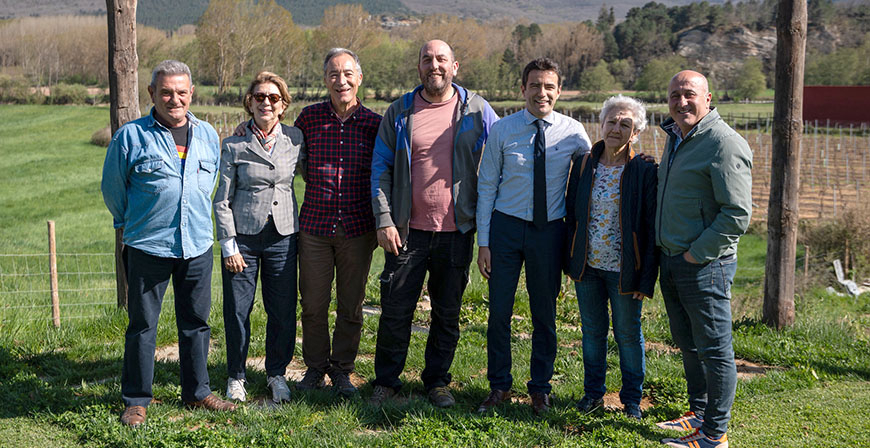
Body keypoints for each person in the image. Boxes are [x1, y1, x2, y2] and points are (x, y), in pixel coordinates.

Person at [101, 60, 236, 427]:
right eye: (166, 92)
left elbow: (208, 183)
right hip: (148, 246)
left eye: (181, 92)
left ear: (191, 93)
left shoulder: (207, 134)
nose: (174, 99)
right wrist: (134, 224)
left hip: (197, 245)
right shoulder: (130, 137)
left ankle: (197, 392)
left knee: (196, 322)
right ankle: (136, 400)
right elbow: (113, 190)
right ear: (152, 94)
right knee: (143, 325)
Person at [369, 39, 498, 408]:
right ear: (419, 67)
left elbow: (503, 152)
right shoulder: (400, 111)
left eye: (442, 59)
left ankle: (437, 381)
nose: (434, 65)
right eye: (427, 59)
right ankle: (387, 382)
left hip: (457, 231)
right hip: (407, 231)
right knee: (395, 310)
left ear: (455, 67)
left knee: (447, 313)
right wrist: (384, 219)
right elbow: (380, 168)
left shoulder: (478, 110)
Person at [476, 58, 591, 415]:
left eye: (549, 86)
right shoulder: (503, 130)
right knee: (499, 312)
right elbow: (486, 186)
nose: (542, 93)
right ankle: (499, 386)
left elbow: (594, 172)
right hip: (506, 229)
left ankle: (540, 388)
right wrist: (484, 242)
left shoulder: (574, 132)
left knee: (545, 314)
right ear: (522, 88)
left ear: (559, 90)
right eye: (535, 85)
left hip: (549, 232)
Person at [654, 70, 752, 448]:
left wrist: (696, 254)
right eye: (674, 95)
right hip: (672, 259)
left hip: (705, 264)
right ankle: (698, 413)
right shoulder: (677, 137)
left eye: (689, 94)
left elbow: (737, 214)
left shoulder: (723, 143)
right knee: (689, 343)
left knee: (715, 350)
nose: (681, 102)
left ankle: (714, 434)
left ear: (708, 98)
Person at [292, 48, 381, 396]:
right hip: (315, 226)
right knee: (313, 304)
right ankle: (315, 367)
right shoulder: (309, 119)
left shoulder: (374, 124)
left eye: (347, 73)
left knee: (351, 305)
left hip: (357, 228)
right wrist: (245, 128)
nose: (340, 80)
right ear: (325, 79)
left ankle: (342, 369)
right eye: (333, 74)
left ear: (359, 78)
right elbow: (285, 148)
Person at [564, 94, 658, 420]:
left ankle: (631, 401)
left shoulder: (644, 170)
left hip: (624, 270)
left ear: (636, 133)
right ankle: (593, 395)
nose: (616, 128)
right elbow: (571, 216)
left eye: (625, 124)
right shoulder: (583, 164)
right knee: (592, 333)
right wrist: (571, 260)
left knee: (628, 335)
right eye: (612, 121)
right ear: (601, 124)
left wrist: (646, 279)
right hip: (587, 267)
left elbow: (650, 228)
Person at [213, 71, 304, 404]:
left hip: (283, 236)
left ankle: (276, 373)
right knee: (238, 310)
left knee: (282, 309)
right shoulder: (234, 143)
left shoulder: (296, 138)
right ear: (249, 103)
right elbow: (221, 199)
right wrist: (228, 245)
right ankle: (236, 375)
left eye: (273, 98)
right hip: (244, 240)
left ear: (283, 105)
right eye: (259, 97)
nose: (267, 102)